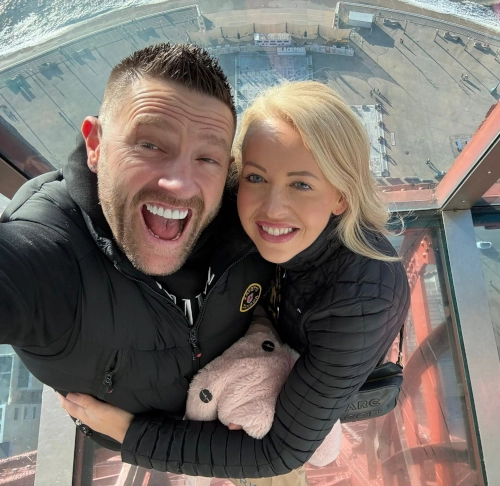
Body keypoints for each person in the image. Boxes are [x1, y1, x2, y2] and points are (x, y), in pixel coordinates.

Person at [59, 81, 411, 481]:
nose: (272, 210)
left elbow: (280, 452)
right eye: (257, 178)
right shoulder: (251, 208)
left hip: (306, 398)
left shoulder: (363, 299)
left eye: (302, 184)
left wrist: (128, 435)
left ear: (342, 196)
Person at [0, 43, 273, 450]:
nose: (179, 184)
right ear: (95, 145)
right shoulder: (51, 257)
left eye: (207, 159)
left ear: (228, 171)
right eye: (150, 145)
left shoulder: (253, 217)